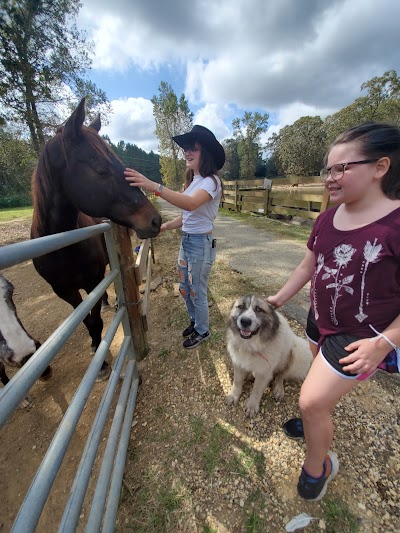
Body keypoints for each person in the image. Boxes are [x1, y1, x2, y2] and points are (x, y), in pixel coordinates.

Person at [267, 122, 400, 501]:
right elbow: (307, 267)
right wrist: (280, 297)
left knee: (310, 399)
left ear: (380, 167)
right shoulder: (327, 219)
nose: (330, 177)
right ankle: (316, 424)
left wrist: (384, 344)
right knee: (317, 393)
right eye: (328, 169)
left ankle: (318, 466)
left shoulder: (396, 225)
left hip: (362, 337)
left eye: (342, 168)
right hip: (318, 319)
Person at [124, 125, 225, 349]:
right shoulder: (192, 183)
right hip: (187, 241)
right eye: (186, 149)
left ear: (205, 153)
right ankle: (195, 320)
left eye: (194, 149)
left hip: (201, 244)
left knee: (197, 289)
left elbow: (189, 204)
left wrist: (154, 186)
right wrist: (165, 227)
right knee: (184, 287)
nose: (187, 153)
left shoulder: (211, 182)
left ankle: (203, 330)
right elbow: (185, 216)